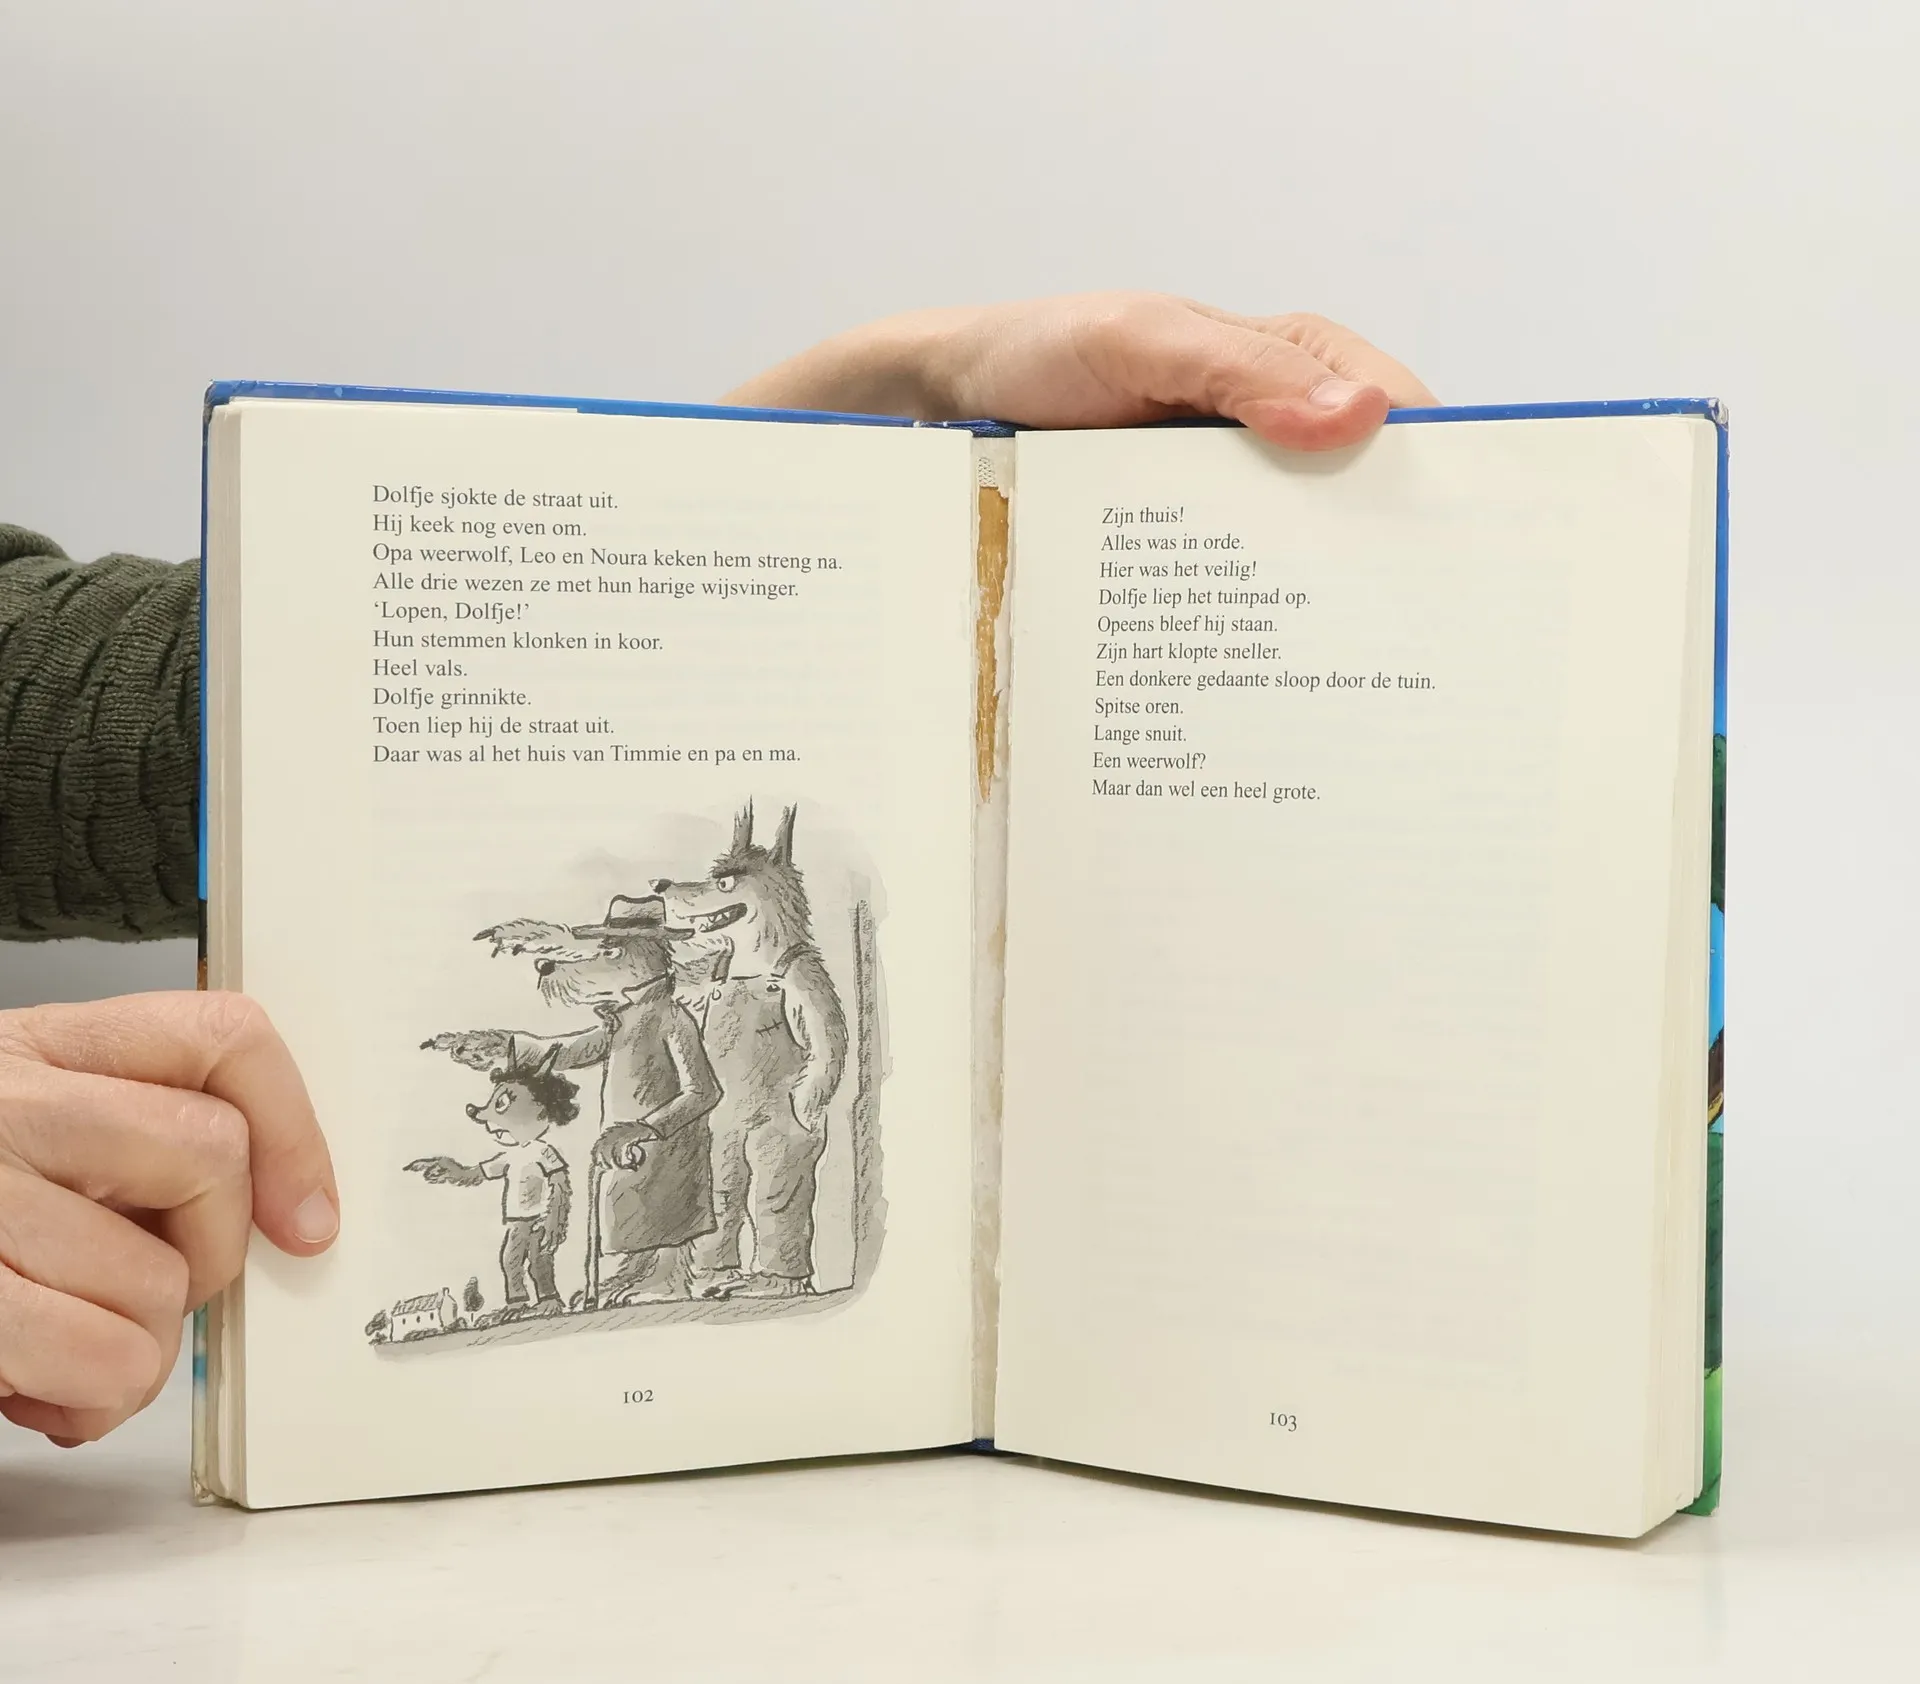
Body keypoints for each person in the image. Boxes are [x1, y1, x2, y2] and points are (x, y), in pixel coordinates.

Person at [0, 293, 1433, 1445]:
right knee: (693, 1207)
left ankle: (750, 1272)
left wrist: (871, 420)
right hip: (681, 1146)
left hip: (744, 1121)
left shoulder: (761, 972)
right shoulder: (689, 988)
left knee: (753, 1196)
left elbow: (36, 690)